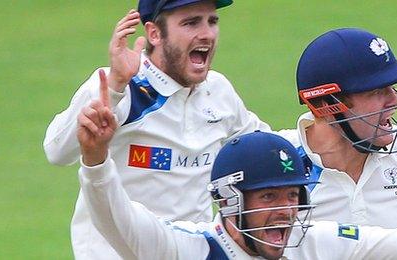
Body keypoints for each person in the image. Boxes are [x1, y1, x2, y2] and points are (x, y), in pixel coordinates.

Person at [76, 79, 397, 259]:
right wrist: (97, 162)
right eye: (268, 198)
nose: (285, 211)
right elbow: (118, 220)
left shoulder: (318, 243)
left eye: (292, 196)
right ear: (229, 202)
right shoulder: (187, 248)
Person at [42, 0, 269, 258]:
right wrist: (116, 85)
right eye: (191, 22)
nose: (206, 33)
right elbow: (57, 151)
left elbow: (266, 146)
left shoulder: (218, 90)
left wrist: (317, 123)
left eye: (212, 21)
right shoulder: (119, 85)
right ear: (154, 33)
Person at [276, 28, 397, 228]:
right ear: (325, 105)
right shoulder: (277, 162)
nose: (394, 100)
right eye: (376, 91)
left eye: (392, 87)